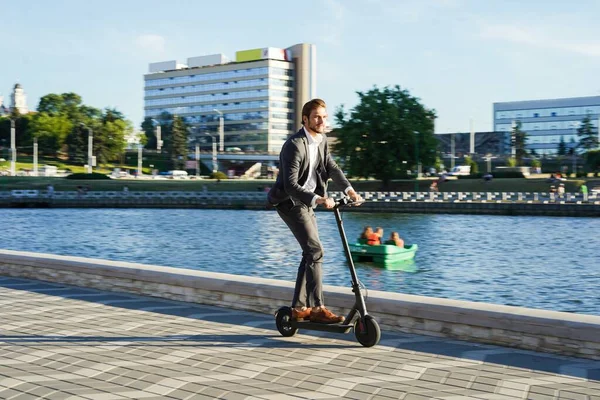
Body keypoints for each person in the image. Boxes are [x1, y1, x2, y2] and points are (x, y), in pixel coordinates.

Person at [267, 98, 363, 324]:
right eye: (317, 117)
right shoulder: (294, 144)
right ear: (305, 119)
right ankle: (318, 308)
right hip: (289, 202)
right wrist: (318, 199)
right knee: (315, 251)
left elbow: (331, 166)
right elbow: (290, 185)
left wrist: (349, 190)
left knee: (311, 253)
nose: (322, 121)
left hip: (309, 201)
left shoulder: (322, 140)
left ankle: (299, 308)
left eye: (324, 117)